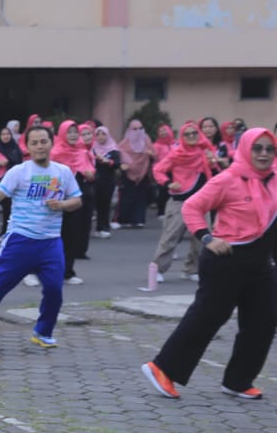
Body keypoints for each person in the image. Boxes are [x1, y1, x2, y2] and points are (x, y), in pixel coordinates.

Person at [142, 127, 277, 401]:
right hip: (225, 260)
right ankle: (162, 368)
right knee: (208, 317)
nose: (263, 154)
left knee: (263, 321)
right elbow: (191, 207)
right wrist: (207, 238)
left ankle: (238, 381)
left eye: (269, 149)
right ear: (246, 149)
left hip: (261, 263)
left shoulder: (274, 179)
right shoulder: (228, 178)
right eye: (257, 148)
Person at [0, 125, 82, 351]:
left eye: (43, 141)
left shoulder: (63, 172)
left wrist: (62, 204)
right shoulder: (19, 171)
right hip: (20, 240)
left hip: (51, 242)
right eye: (34, 143)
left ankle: (43, 331)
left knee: (54, 289)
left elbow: (77, 200)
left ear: (51, 143)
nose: (39, 146)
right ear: (27, 147)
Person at [149, 122, 212, 284]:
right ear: (182, 137)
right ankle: (157, 269)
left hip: (201, 201)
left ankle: (191, 269)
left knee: (201, 239)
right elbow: (158, 170)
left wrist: (213, 161)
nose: (191, 136)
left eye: (194, 133)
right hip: (180, 201)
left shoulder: (204, 151)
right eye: (187, 134)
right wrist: (168, 183)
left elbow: (213, 171)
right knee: (170, 237)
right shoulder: (176, 154)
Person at [52, 120, 95, 285]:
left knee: (71, 236)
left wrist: (90, 174)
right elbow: (48, 174)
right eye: (69, 132)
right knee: (52, 237)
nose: (73, 135)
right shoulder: (55, 152)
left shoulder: (82, 152)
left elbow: (90, 171)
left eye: (75, 132)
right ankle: (40, 271)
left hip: (76, 198)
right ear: (62, 133)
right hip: (56, 198)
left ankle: (68, 272)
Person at [115, 119, 154, 229]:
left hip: (143, 173)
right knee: (126, 197)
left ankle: (138, 220)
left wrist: (150, 154)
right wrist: (123, 164)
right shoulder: (125, 143)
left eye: (140, 128)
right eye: (135, 129)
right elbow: (119, 154)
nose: (138, 131)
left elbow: (155, 155)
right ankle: (123, 220)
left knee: (140, 198)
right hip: (128, 173)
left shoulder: (146, 140)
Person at [90, 125, 120, 238]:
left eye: (103, 134)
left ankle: (104, 228)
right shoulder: (92, 148)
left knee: (105, 205)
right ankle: (97, 228)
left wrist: (107, 161)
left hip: (107, 180)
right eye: (98, 135)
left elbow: (117, 163)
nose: (100, 137)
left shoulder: (112, 149)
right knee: (95, 205)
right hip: (94, 180)